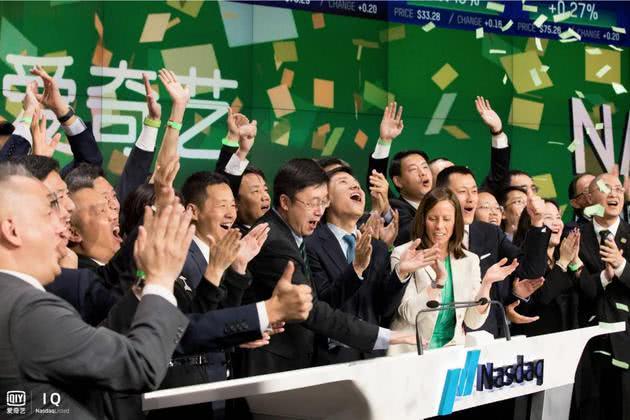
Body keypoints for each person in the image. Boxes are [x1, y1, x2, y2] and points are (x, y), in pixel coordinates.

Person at [0, 162, 192, 420]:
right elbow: (139, 366)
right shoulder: (25, 311)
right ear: (12, 230)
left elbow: (94, 349)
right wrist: (161, 279)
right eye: (48, 213)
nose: (61, 227)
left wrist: (144, 286)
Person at [237, 158, 415, 378]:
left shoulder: (289, 232)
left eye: (323, 202)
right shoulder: (274, 240)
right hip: (272, 366)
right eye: (313, 203)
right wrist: (384, 336)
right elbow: (312, 310)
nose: (319, 211)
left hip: (297, 361)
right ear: (285, 202)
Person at [388, 188, 517, 354]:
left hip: (453, 351)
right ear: (423, 220)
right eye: (432, 218)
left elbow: (473, 322)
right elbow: (410, 314)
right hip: (410, 351)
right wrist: (438, 282)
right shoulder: (404, 254)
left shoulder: (469, 259)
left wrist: (487, 284)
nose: (439, 226)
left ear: (456, 222)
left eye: (447, 219)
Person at [306, 165, 405, 364]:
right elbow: (323, 304)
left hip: (373, 356)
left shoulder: (377, 247)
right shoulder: (311, 244)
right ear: (326, 200)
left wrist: (401, 273)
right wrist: (356, 268)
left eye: (357, 185)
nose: (356, 188)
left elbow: (384, 309)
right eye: (343, 182)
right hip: (331, 359)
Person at [435, 165, 550, 337]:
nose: (471, 198)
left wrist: (537, 222)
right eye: (463, 192)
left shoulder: (489, 233)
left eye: (474, 191)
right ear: (443, 195)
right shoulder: (424, 234)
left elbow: (530, 269)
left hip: (486, 336)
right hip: (437, 338)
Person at [571, 173, 630, 420]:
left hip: (626, 345)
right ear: (589, 197)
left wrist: (621, 265)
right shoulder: (575, 237)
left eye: (619, 189)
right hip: (587, 347)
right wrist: (604, 278)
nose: (614, 194)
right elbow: (575, 287)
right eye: (607, 189)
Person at [509, 200, 581, 336]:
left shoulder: (563, 253)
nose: (556, 223)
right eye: (548, 217)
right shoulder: (523, 259)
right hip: (536, 339)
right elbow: (542, 297)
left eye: (558, 217)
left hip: (569, 337)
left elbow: (590, 291)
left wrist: (575, 259)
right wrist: (563, 262)